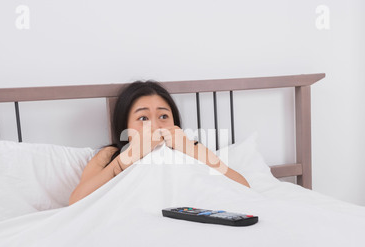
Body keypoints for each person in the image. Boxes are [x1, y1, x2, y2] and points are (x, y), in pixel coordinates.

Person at [69, 81, 250, 205]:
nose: (155, 125)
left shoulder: (191, 147)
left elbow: (244, 188)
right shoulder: (111, 154)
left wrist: (191, 150)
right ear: (125, 125)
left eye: (163, 116)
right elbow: (76, 201)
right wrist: (127, 158)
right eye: (143, 117)